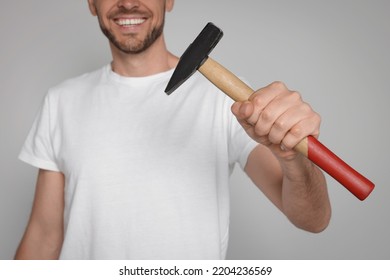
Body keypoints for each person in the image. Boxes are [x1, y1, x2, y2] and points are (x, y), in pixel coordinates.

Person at [15, 0, 331, 260]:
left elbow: (313, 219)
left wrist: (294, 159)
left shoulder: (227, 100)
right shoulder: (61, 101)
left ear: (169, 0)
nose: (127, 3)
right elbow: (44, 235)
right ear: (91, 3)